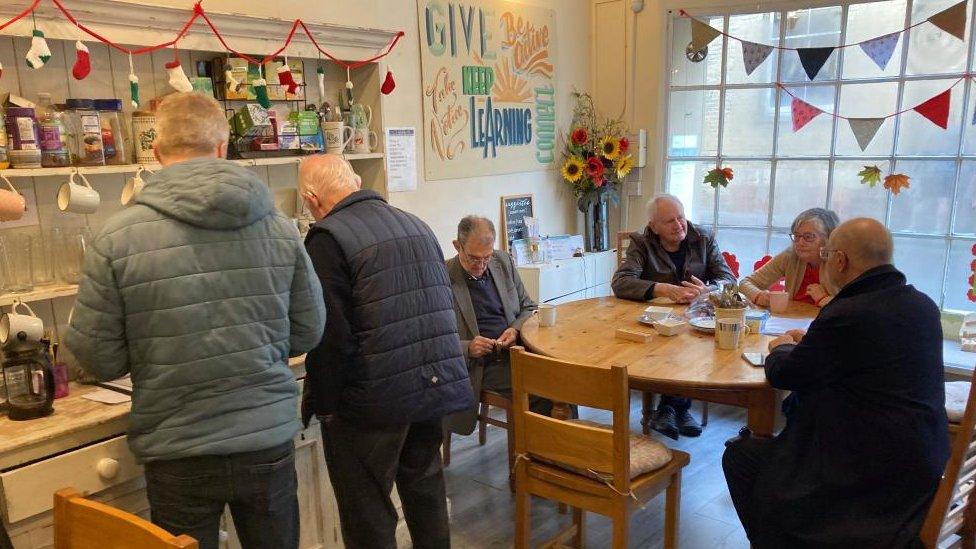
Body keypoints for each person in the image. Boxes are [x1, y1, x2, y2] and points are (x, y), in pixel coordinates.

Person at [65, 92, 325, 549]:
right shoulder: (280, 228)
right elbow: (308, 330)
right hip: (264, 435)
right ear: (222, 147)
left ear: (158, 152)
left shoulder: (116, 237)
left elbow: (97, 358)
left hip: (177, 446)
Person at [722, 218, 949, 548]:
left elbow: (784, 374)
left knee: (742, 457)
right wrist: (811, 345)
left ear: (839, 260)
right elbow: (858, 361)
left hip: (865, 473)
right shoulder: (922, 306)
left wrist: (781, 345)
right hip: (919, 467)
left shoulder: (850, 313)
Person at [300, 154, 473, 549]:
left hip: (371, 402)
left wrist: (325, 405)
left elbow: (331, 336)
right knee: (426, 492)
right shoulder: (416, 225)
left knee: (369, 513)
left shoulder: (328, 238)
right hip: (431, 388)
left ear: (311, 199)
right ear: (357, 181)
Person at [612, 193, 736, 439]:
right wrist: (663, 288)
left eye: (681, 218)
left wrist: (707, 290)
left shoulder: (702, 238)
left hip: (696, 319)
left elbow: (729, 279)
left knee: (688, 347)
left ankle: (670, 408)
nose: (679, 225)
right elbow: (621, 282)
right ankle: (676, 410)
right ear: (653, 226)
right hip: (654, 322)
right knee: (672, 347)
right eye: (670, 221)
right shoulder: (642, 242)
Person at [443, 216, 551, 438]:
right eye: (474, 258)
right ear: (457, 246)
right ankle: (536, 460)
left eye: (486, 257)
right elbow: (433, 340)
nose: (481, 265)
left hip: (515, 351)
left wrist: (515, 329)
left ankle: (568, 454)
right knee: (543, 390)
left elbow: (528, 307)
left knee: (564, 377)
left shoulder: (502, 261)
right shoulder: (443, 276)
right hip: (480, 365)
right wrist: (468, 347)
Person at [740, 208, 840, 308]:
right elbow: (745, 283)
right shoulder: (790, 255)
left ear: (829, 239)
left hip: (826, 322)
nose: (799, 243)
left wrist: (824, 299)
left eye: (808, 237)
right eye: (796, 236)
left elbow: (852, 307)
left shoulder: (840, 262)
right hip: (791, 319)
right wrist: (759, 295)